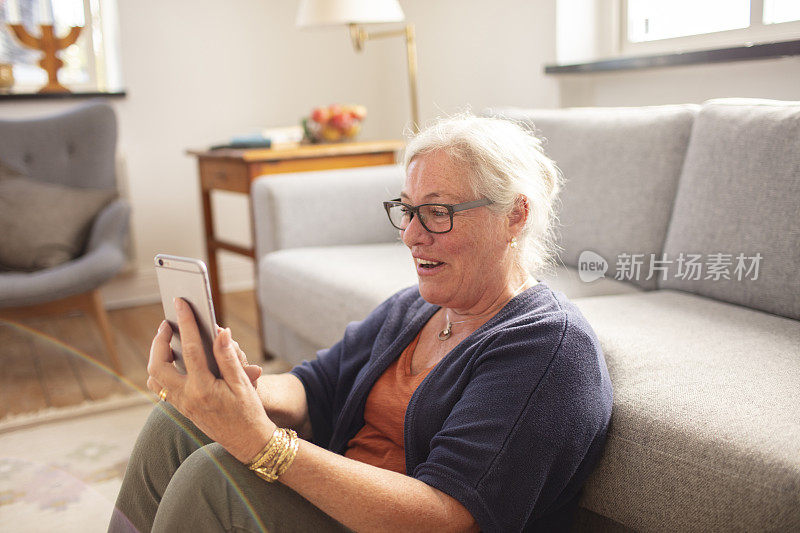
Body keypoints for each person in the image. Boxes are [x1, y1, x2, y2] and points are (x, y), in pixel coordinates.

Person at [109, 114, 613, 533]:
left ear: (515, 216)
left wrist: (259, 443)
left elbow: (447, 516)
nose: (413, 235)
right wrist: (235, 389)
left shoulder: (546, 348)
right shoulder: (412, 310)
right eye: (409, 211)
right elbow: (315, 386)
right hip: (340, 504)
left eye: (438, 212)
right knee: (175, 422)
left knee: (214, 478)